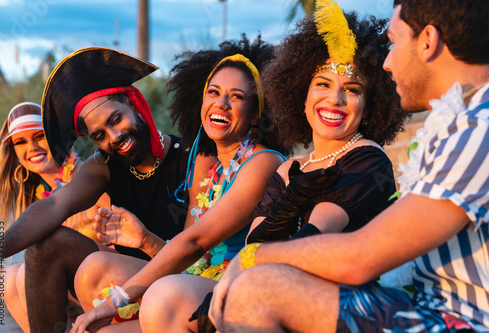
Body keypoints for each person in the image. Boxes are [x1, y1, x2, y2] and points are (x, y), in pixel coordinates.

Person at [209, 0, 489, 332]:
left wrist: (251, 257)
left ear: (427, 41)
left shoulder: (479, 128)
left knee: (258, 291)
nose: (386, 63)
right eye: (322, 85)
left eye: (395, 41)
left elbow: (359, 258)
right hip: (425, 307)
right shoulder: (462, 124)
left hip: (462, 322)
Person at [137, 3, 408, 332]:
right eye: (322, 84)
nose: (334, 100)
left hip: (338, 297)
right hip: (271, 283)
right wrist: (231, 281)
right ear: (301, 96)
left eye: (351, 90)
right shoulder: (287, 169)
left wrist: (236, 279)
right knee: (164, 298)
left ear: (371, 105)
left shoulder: (367, 156)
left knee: (245, 296)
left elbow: (316, 235)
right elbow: (255, 244)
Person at [70, 35, 288, 333]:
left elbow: (195, 242)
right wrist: (145, 239)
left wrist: (115, 302)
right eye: (213, 92)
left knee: (160, 297)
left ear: (255, 115)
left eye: (236, 97)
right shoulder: (208, 165)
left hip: (238, 288)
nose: (220, 103)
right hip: (200, 278)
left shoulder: (264, 162)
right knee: (95, 275)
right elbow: (193, 258)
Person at [0, 48, 194, 332]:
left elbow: (198, 250)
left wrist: (144, 239)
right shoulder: (104, 165)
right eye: (99, 136)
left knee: (94, 267)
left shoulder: (190, 155)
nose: (115, 137)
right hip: (121, 279)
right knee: (46, 245)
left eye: (115, 120)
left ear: (133, 104)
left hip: (178, 278)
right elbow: (54, 205)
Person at [0, 102, 111, 332]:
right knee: (15, 275)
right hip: (68, 286)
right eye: (21, 142)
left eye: (39, 136)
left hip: (105, 280)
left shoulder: (88, 177)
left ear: (55, 134)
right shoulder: (34, 195)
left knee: (22, 273)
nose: (32, 147)